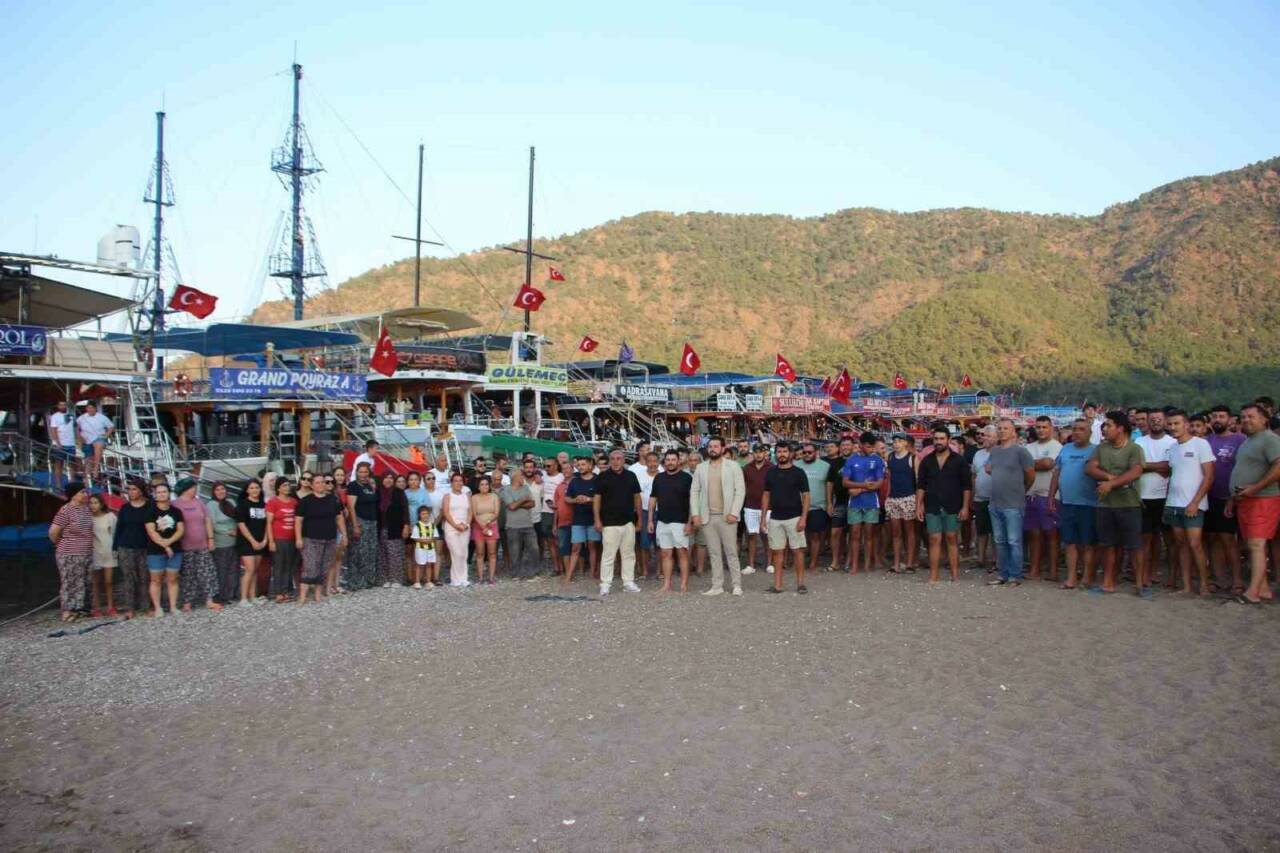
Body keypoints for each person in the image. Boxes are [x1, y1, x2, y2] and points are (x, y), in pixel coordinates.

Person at [1085, 411, 1146, 595]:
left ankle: (1140, 583)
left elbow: (1136, 472)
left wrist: (1111, 484)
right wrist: (1108, 477)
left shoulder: (1134, 449)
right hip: (1105, 505)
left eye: (1108, 425)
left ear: (1121, 428)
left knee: (1134, 545)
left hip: (1129, 503)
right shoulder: (1102, 448)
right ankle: (1108, 581)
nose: (1104, 428)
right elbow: (1089, 468)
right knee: (1107, 544)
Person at [1228, 403, 1280, 604]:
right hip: (1245, 500)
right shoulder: (1248, 441)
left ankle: (1252, 592)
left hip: (1263, 499)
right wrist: (1233, 498)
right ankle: (1263, 588)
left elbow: (1278, 466)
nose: (1246, 420)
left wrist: (1256, 487)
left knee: (1257, 544)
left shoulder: (1270, 439)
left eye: (1251, 416)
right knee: (1254, 545)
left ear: (1264, 419)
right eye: (1243, 417)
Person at [1162, 410, 1215, 596]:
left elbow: (1209, 476)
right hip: (1174, 503)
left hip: (1194, 504)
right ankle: (1186, 586)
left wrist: (1195, 502)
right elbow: (1173, 475)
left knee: (1195, 544)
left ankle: (1204, 584)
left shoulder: (1201, 444)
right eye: (1170, 424)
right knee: (1181, 544)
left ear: (1186, 424)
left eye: (1177, 423)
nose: (1173, 427)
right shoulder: (1173, 448)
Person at [689, 436, 747, 597]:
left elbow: (740, 491)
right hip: (707, 516)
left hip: (727, 516)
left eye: (715, 446)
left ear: (722, 448)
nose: (712, 449)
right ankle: (717, 585)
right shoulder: (701, 468)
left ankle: (736, 584)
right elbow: (694, 491)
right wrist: (695, 514)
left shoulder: (733, 466)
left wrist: (734, 513)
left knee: (731, 552)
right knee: (714, 552)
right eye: (710, 447)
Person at [915, 425, 972, 583]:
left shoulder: (959, 461)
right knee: (933, 539)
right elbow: (921, 485)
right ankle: (934, 575)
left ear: (948, 440)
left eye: (942, 439)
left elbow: (967, 486)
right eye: (936, 439)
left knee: (952, 538)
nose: (938, 442)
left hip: (953, 504)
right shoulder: (926, 461)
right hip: (932, 504)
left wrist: (965, 507)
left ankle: (954, 574)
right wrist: (918, 505)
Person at [1048, 419, 1098, 590]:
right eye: (1074, 429)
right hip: (1067, 502)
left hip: (1089, 503)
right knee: (1069, 542)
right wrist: (1051, 497)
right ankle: (1071, 578)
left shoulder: (1095, 451)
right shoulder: (1066, 449)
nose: (1077, 432)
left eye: (1082, 429)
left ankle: (1086, 577)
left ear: (1090, 432)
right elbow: (1057, 473)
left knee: (1088, 543)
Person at [986, 418, 1035, 587]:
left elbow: (1030, 475)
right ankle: (1003, 574)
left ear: (1013, 431)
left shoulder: (1021, 452)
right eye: (999, 428)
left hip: (1014, 503)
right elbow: (989, 469)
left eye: (1006, 428)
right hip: (995, 503)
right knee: (1000, 541)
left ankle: (1015, 575)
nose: (1002, 431)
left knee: (1014, 541)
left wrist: (1021, 489)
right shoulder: (994, 451)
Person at [1204, 405, 1246, 594]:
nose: (1218, 419)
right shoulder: (1206, 441)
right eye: (1214, 416)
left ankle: (1237, 580)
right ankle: (1219, 577)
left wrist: (1233, 496)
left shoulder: (1240, 440)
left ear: (1230, 420)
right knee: (1212, 539)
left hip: (1228, 497)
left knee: (1229, 539)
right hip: (1208, 496)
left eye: (1222, 416)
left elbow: (1244, 470)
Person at [1135, 410, 1177, 588]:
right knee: (1145, 539)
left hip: (1167, 497)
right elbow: (1136, 466)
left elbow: (1170, 467)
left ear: (1165, 421)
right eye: (1152, 420)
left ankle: (1170, 576)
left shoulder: (1173, 443)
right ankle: (1144, 575)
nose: (1155, 422)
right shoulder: (1139, 442)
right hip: (1143, 496)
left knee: (1168, 539)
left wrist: (1147, 466)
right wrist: (1157, 466)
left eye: (1159, 419)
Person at [762, 442, 811, 594]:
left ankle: (801, 583)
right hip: (775, 517)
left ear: (790, 453)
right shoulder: (770, 472)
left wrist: (803, 517)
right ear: (775, 454)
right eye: (779, 451)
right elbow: (766, 494)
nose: (782, 454)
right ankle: (778, 585)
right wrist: (763, 517)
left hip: (794, 517)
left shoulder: (799, 472)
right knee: (777, 551)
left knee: (798, 551)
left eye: (785, 451)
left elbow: (806, 496)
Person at [594, 448, 643, 596]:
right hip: (609, 523)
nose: (616, 461)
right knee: (609, 555)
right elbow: (597, 499)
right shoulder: (602, 477)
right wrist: (597, 519)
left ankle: (628, 582)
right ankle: (605, 584)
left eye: (619, 458)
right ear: (610, 461)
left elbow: (637, 498)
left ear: (623, 460)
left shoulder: (631, 476)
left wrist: (640, 519)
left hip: (628, 521)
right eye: (613, 459)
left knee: (628, 554)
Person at [173, 478, 221, 612]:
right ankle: (187, 602)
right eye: (193, 487)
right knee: (188, 575)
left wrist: (210, 538)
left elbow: (207, 521)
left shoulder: (199, 503)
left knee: (207, 572)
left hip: (202, 544)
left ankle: (209, 600)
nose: (195, 489)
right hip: (184, 545)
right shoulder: (175, 504)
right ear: (187, 489)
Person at [295, 470, 344, 603]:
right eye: (317, 482)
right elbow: (298, 520)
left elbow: (339, 518)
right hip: (311, 538)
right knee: (310, 567)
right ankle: (303, 596)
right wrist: (298, 538)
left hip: (329, 538)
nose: (321, 484)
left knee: (324, 566)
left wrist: (344, 535)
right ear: (312, 485)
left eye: (323, 482)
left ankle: (318, 594)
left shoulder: (332, 500)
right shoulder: (305, 501)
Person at [649, 449, 693, 593]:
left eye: (673, 460)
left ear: (678, 461)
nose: (670, 462)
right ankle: (667, 584)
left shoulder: (686, 478)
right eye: (668, 460)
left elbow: (693, 501)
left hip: (680, 522)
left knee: (682, 553)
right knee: (665, 554)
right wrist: (650, 520)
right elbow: (653, 499)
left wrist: (689, 522)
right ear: (665, 461)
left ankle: (684, 584)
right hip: (662, 521)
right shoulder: (659, 478)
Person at [1024, 416, 1062, 581]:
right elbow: (1025, 466)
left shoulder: (1057, 446)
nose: (1041, 430)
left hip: (1049, 495)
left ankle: (1053, 571)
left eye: (1044, 427)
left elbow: (1049, 464)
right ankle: (1035, 569)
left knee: (1051, 535)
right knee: (1034, 534)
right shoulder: (1028, 446)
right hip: (1030, 495)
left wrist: (1031, 464)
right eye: (1038, 427)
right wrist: (1038, 464)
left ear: (1051, 428)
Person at [842, 432, 886, 575]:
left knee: (869, 534)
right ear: (860, 445)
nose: (870, 450)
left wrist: (859, 489)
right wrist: (864, 486)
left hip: (871, 502)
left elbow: (879, 482)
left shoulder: (877, 460)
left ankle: (867, 564)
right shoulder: (851, 460)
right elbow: (845, 482)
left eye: (871, 447)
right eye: (867, 447)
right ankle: (854, 565)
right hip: (854, 503)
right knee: (854, 534)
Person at [49, 482, 94, 621]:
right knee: (69, 581)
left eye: (85, 492)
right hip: (69, 552)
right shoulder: (66, 510)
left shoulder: (87, 509)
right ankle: (67, 611)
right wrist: (59, 543)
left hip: (86, 552)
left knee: (84, 581)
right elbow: (53, 532)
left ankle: (81, 608)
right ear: (73, 495)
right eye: (82, 492)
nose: (85, 494)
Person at [144, 482, 185, 617]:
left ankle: (173, 606)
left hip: (175, 549)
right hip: (155, 551)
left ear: (169, 493)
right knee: (156, 580)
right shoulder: (150, 511)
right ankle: (158, 608)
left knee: (172, 579)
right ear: (155, 495)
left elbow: (180, 530)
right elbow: (152, 532)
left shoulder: (176, 511)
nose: (162, 494)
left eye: (164, 491)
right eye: (159, 492)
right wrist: (165, 546)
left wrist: (169, 542)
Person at [112, 479, 152, 617]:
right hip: (126, 546)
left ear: (141, 490)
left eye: (134, 489)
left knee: (144, 577)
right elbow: (119, 528)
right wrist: (115, 547)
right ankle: (130, 608)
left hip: (144, 547)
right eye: (129, 489)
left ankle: (146, 606)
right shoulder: (125, 508)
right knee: (128, 578)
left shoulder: (149, 506)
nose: (131, 492)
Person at [794, 442, 831, 577]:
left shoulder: (825, 466)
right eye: (804, 452)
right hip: (798, 506)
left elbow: (830, 485)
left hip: (818, 505)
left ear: (816, 452)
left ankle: (814, 561)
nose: (807, 455)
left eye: (810, 452)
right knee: (801, 535)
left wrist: (829, 503)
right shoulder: (796, 465)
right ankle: (801, 559)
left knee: (815, 535)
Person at [885, 433, 918, 574]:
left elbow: (917, 480)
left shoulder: (913, 458)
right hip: (893, 498)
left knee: (909, 531)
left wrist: (918, 501)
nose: (896, 444)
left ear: (905, 443)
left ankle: (910, 562)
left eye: (899, 441)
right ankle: (897, 563)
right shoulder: (890, 457)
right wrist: (887, 497)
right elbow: (889, 479)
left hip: (909, 497)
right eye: (894, 441)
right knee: (896, 532)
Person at [564, 456, 600, 584]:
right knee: (575, 547)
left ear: (590, 466)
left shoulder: (597, 480)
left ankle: (592, 574)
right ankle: (569, 576)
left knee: (592, 546)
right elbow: (567, 498)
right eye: (578, 465)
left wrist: (589, 500)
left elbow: (603, 498)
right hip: (578, 518)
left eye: (583, 464)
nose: (580, 467)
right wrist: (575, 500)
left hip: (593, 518)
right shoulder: (574, 481)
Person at [501, 462, 541, 580]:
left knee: (534, 549)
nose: (523, 477)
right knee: (515, 551)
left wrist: (516, 502)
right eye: (521, 475)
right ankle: (515, 574)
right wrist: (523, 500)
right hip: (513, 526)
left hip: (528, 524)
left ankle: (533, 572)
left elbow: (532, 503)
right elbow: (511, 507)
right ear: (515, 477)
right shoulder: (506, 490)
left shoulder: (525, 488)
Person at [343, 463, 379, 591]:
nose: (363, 474)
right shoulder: (353, 486)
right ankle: (355, 581)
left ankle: (369, 579)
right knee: (358, 553)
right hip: (360, 521)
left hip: (372, 522)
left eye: (365, 472)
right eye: (360, 472)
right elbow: (351, 506)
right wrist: (355, 525)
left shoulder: (370, 485)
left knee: (371, 551)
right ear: (356, 473)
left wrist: (374, 487)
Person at [264, 478, 300, 602]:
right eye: (284, 485)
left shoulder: (294, 502)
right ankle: (277, 592)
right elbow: (268, 523)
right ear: (278, 488)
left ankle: (286, 591)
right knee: (278, 566)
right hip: (279, 538)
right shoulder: (273, 502)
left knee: (289, 565)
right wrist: (271, 541)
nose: (287, 487)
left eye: (288, 485)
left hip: (292, 538)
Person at [235, 478, 268, 605]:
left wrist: (265, 539)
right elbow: (241, 525)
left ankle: (253, 596)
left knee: (255, 570)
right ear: (247, 490)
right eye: (252, 488)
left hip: (261, 541)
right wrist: (252, 540)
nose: (255, 490)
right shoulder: (243, 505)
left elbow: (266, 524)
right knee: (249, 569)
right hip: (247, 542)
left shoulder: (263, 504)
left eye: (257, 487)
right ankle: (243, 598)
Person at [205, 483, 239, 604]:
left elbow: (237, 518)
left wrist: (237, 530)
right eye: (217, 490)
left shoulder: (231, 502)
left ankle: (232, 594)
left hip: (234, 541)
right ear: (213, 492)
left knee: (234, 569)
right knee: (221, 570)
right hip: (221, 542)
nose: (220, 491)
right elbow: (212, 524)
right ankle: (222, 595)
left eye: (222, 489)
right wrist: (228, 531)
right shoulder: (211, 505)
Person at [375, 470, 409, 588]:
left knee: (395, 555)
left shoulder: (399, 493)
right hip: (381, 528)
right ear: (382, 479)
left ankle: (397, 579)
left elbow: (405, 510)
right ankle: (384, 579)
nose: (388, 480)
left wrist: (406, 525)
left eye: (391, 478)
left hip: (396, 528)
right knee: (383, 555)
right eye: (386, 477)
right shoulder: (378, 493)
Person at [741, 445, 772, 574]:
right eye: (756, 452)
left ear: (765, 453)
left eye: (761, 452)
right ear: (753, 454)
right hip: (750, 506)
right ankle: (751, 565)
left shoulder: (772, 468)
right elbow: (743, 487)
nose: (758, 455)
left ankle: (770, 564)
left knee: (767, 536)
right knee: (751, 535)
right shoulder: (747, 468)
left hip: (769, 507)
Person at [971, 425, 997, 572]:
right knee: (981, 530)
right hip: (980, 497)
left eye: (988, 436)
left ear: (996, 438)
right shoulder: (978, 454)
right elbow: (974, 475)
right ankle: (980, 559)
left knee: (995, 531)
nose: (984, 438)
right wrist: (973, 495)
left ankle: (995, 559)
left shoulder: (1000, 453)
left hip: (995, 497)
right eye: (983, 435)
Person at [440, 473, 473, 587]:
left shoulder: (466, 495)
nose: (458, 483)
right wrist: (455, 525)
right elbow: (446, 512)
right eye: (456, 480)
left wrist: (466, 524)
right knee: (456, 553)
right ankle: (455, 579)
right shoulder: (447, 496)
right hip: (451, 527)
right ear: (451, 482)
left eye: (460, 481)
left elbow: (470, 512)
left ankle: (464, 578)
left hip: (465, 527)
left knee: (464, 553)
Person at [825, 438, 853, 572]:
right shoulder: (835, 463)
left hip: (855, 503)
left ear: (853, 446)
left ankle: (848, 561)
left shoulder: (857, 461)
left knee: (853, 533)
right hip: (839, 502)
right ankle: (835, 561)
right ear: (839, 447)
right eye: (843, 445)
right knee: (835, 531)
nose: (845, 447)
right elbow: (829, 483)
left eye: (848, 444)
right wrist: (829, 503)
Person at [87, 493, 117, 617]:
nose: (93, 505)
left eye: (96, 503)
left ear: (101, 504)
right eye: (91, 503)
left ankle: (110, 606)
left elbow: (114, 534)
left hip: (108, 551)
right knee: (95, 582)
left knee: (109, 581)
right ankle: (97, 607)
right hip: (94, 552)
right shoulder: (88, 518)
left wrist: (116, 550)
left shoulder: (110, 516)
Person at [470, 475, 500, 584]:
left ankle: (491, 577)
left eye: (486, 484)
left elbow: (496, 513)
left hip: (492, 526)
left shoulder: (494, 496)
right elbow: (474, 514)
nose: (484, 486)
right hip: (478, 527)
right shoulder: (474, 498)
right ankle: (480, 577)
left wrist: (488, 524)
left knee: (492, 553)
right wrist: (482, 526)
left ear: (489, 485)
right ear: (478, 486)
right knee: (479, 553)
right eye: (482, 484)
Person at [635, 452, 660, 579]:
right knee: (644, 543)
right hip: (644, 512)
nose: (652, 464)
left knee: (659, 543)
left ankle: (659, 571)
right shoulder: (639, 476)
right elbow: (636, 495)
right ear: (646, 462)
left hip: (661, 512)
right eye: (650, 461)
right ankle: (644, 571)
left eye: (655, 461)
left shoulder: (662, 475)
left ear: (659, 462)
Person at [76, 401, 114, 483]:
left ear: (95, 408)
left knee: (98, 445)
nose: (90, 409)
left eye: (92, 408)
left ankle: (96, 469)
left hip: (99, 437)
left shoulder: (102, 417)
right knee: (88, 458)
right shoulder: (81, 418)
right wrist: (79, 438)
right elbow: (77, 428)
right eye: (89, 408)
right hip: (86, 439)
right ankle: (87, 477)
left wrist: (106, 435)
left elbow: (111, 426)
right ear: (86, 409)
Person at [540, 458, 566, 575]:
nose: (546, 468)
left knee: (559, 541)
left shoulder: (561, 476)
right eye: (545, 466)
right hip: (545, 511)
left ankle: (564, 566)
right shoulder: (543, 475)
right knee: (550, 541)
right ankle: (556, 567)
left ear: (556, 465)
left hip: (558, 511)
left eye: (549, 466)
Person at [48, 399, 78, 485]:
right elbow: (53, 430)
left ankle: (72, 482)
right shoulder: (54, 416)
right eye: (61, 405)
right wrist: (57, 443)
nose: (63, 406)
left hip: (71, 443)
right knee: (59, 464)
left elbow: (75, 428)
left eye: (64, 405)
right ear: (58, 406)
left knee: (72, 464)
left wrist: (78, 440)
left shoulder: (72, 415)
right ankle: (58, 484)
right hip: (60, 444)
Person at [409, 505, 437, 589]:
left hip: (430, 548)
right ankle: (417, 582)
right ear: (419, 515)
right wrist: (423, 541)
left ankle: (428, 581)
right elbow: (415, 538)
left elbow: (435, 536)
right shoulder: (417, 526)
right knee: (419, 565)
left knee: (429, 564)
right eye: (423, 514)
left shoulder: (432, 525)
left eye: (427, 513)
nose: (425, 515)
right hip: (420, 549)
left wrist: (431, 540)